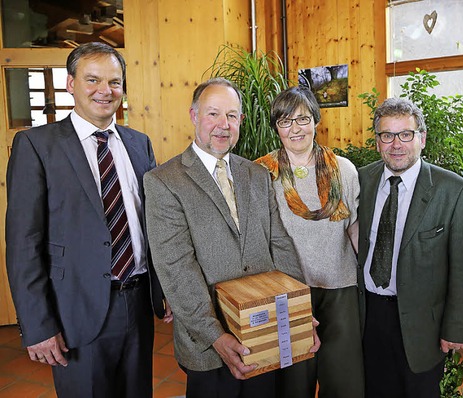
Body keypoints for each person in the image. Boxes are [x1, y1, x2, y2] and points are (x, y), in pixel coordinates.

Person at [5, 42, 172, 398]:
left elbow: (154, 226)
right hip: (75, 312)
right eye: (92, 79)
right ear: (70, 84)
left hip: (138, 301)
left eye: (114, 82)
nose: (105, 91)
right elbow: (23, 244)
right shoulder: (36, 145)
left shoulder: (138, 144)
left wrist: (165, 289)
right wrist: (37, 325)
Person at [144, 78, 320, 398]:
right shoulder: (164, 182)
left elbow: (279, 244)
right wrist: (216, 337)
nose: (223, 125)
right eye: (213, 114)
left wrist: (298, 311)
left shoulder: (256, 174)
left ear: (240, 120)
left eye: (232, 115)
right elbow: (177, 268)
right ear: (194, 116)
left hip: (263, 332)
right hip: (210, 344)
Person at [357, 97, 463, 398]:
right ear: (377, 142)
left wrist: (455, 328)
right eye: (387, 135)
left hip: (423, 324)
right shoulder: (361, 180)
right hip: (368, 314)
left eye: (405, 134)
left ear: (422, 138)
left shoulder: (455, 191)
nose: (396, 144)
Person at [255, 86, 364, 398]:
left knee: (343, 380)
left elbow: (353, 226)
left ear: (316, 120)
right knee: (293, 383)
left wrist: (367, 278)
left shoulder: (344, 169)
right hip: (288, 293)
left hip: (340, 286)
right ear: (276, 128)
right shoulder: (262, 173)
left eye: (302, 119)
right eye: (285, 122)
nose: (295, 129)